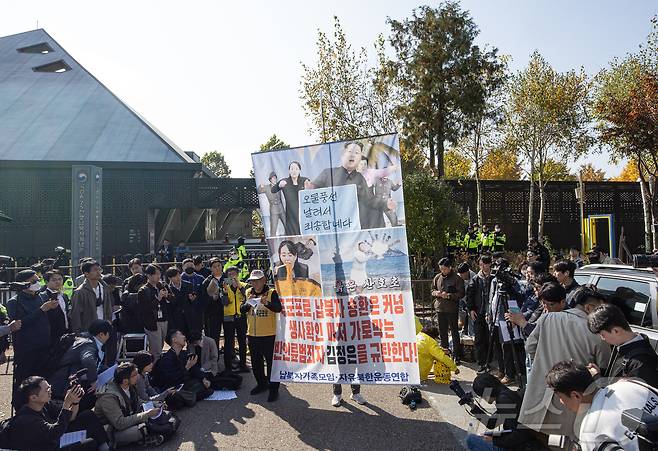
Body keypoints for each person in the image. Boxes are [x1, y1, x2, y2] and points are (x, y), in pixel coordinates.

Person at [518, 286, 611, 437]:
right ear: (589, 307)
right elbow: (603, 370)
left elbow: (530, 348)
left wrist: (545, 358)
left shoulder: (548, 318)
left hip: (539, 397)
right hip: (570, 405)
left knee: (534, 440)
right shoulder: (598, 335)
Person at [545, 360, 657, 451]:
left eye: (561, 397)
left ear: (575, 395)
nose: (561, 402)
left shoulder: (589, 432)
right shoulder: (631, 383)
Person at [308, 142, 396, 229]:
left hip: (353, 228)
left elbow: (369, 199)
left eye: (357, 153)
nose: (353, 155)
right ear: (343, 155)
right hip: (334, 227)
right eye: (350, 151)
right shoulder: (327, 173)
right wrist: (308, 188)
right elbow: (312, 192)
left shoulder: (360, 178)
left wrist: (385, 203)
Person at [7, 376, 109, 451]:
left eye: (50, 387)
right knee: (89, 444)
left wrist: (75, 401)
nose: (50, 391)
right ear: (33, 397)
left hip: (55, 438)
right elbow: (54, 433)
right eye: (47, 389)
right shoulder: (26, 419)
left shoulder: (45, 405)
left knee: (87, 415)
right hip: (47, 445)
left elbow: (70, 418)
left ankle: (106, 447)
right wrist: (67, 402)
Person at [7, 269, 58, 394]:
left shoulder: (42, 296)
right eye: (34, 281)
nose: (37, 283)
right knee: (24, 383)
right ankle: (21, 409)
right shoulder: (14, 302)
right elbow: (19, 324)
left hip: (45, 347)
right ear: (23, 284)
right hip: (26, 350)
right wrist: (41, 310)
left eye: (38, 280)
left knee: (43, 382)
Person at [587, 303, 658, 388]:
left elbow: (627, 397)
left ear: (615, 331)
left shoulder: (641, 363)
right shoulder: (622, 345)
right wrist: (600, 374)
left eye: (603, 334)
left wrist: (597, 378)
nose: (602, 338)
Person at [94, 362, 164, 447]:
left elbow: (138, 402)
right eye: (134, 375)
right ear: (125, 381)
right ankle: (142, 440)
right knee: (142, 429)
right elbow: (120, 423)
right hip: (111, 431)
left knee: (158, 418)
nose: (137, 376)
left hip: (126, 420)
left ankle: (143, 439)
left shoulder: (129, 386)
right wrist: (146, 414)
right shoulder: (108, 397)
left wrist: (155, 404)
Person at [240, 269, 282, 402]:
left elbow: (278, 308)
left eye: (258, 280)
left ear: (264, 280)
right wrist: (248, 303)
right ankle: (261, 384)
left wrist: (266, 303)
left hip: (269, 335)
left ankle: (273, 389)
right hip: (252, 334)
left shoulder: (271, 293)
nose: (256, 283)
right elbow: (242, 309)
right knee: (256, 363)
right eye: (253, 281)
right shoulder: (248, 293)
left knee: (271, 364)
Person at [50, 319, 113, 403]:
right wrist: (94, 381)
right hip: (65, 385)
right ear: (101, 334)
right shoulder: (89, 345)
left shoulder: (84, 339)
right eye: (108, 334)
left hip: (70, 382)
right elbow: (89, 361)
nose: (109, 337)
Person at [150, 330, 213, 401]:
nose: (184, 337)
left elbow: (194, 368)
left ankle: (189, 396)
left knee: (208, 379)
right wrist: (187, 368)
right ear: (174, 340)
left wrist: (203, 379)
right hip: (170, 387)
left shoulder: (183, 354)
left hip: (183, 385)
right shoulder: (166, 358)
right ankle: (188, 396)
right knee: (175, 397)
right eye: (181, 335)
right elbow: (172, 379)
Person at [431, 258, 465, 364]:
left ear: (450, 267)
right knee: (442, 331)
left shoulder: (457, 279)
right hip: (439, 308)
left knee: (454, 331)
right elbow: (432, 289)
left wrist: (449, 295)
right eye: (441, 269)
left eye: (445, 269)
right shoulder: (437, 277)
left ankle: (456, 355)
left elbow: (461, 294)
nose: (443, 271)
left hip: (452, 309)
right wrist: (435, 293)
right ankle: (444, 352)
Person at [466, 256, 494, 373]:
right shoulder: (476, 279)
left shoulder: (494, 277)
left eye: (485, 264)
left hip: (491, 312)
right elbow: (469, 295)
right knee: (479, 338)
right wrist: (471, 309)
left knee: (490, 338)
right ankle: (481, 362)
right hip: (479, 312)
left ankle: (489, 361)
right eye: (481, 264)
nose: (483, 266)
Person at [70, 261, 113, 333]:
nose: (98, 272)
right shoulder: (80, 292)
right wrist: (78, 332)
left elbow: (108, 306)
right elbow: (76, 314)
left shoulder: (104, 287)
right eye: (95, 270)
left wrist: (109, 321)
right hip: (88, 330)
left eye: (99, 269)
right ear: (86, 273)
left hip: (104, 328)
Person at [137, 264, 170, 361]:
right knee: (156, 351)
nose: (158, 276)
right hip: (152, 322)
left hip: (163, 319)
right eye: (156, 274)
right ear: (149, 275)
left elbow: (173, 300)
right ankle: (155, 371)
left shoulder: (161, 286)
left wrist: (167, 296)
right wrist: (158, 298)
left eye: (160, 273)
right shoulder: (144, 290)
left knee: (160, 346)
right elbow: (145, 308)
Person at [222, 266, 249, 373]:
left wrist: (239, 287)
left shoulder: (244, 285)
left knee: (242, 341)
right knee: (229, 342)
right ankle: (228, 366)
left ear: (238, 275)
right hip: (228, 317)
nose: (232, 276)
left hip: (241, 316)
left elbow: (248, 297)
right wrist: (224, 291)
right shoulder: (224, 285)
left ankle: (243, 364)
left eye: (234, 274)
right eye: (230, 274)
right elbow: (224, 302)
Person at [271, 161, 309, 236]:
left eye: (296, 169)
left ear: (299, 170)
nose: (294, 171)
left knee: (304, 236)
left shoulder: (305, 180)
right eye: (292, 169)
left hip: (304, 215)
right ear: (289, 171)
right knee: (292, 239)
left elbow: (313, 192)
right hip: (291, 216)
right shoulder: (285, 181)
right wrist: (279, 185)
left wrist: (309, 186)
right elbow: (273, 190)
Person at [40, 270, 71, 349]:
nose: (58, 282)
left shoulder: (64, 295)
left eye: (60, 279)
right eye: (54, 280)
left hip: (65, 332)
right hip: (50, 335)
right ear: (46, 282)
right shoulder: (43, 296)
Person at [202, 257, 225, 353]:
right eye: (214, 267)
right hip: (213, 314)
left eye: (219, 266)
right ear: (210, 268)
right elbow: (203, 299)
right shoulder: (207, 281)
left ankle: (230, 358)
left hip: (228, 312)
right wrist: (212, 298)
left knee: (229, 336)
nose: (217, 268)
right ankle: (214, 357)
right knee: (213, 336)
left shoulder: (227, 278)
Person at [179, 259, 205, 335]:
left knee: (198, 331)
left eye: (191, 265)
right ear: (183, 267)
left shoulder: (200, 278)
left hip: (197, 309)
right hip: (184, 310)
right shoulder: (179, 278)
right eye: (187, 266)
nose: (189, 267)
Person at [258, 172, 286, 236]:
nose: (274, 179)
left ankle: (287, 239)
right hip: (273, 210)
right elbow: (259, 191)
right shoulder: (267, 187)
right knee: (273, 228)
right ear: (270, 179)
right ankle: (273, 242)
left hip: (281, 208)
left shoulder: (279, 186)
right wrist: (260, 186)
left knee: (287, 225)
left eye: (275, 178)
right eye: (273, 178)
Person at [457, 262, 476, 337]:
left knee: (471, 317)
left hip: (471, 299)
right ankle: (463, 330)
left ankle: (471, 335)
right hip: (461, 299)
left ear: (467, 272)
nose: (461, 276)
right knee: (462, 319)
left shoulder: (474, 277)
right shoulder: (458, 277)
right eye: (460, 274)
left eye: (462, 274)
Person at [164, 267, 185, 333]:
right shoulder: (168, 289)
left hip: (188, 317)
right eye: (175, 276)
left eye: (179, 275)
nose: (178, 277)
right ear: (170, 278)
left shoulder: (188, 285)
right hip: (176, 318)